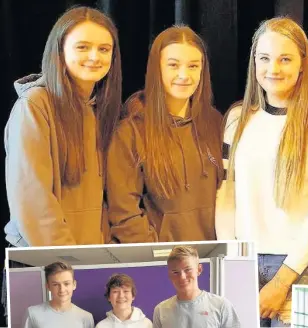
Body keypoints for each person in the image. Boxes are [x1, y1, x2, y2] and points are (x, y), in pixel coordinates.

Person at [215, 17, 308, 326]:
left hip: (297, 266)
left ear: (302, 64)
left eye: (285, 58)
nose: (274, 69)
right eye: (265, 58)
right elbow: (226, 197)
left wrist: (283, 280)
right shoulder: (237, 118)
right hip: (242, 260)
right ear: (254, 62)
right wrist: (233, 259)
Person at [4, 6, 122, 247]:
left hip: (86, 261)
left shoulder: (98, 109)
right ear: (59, 50)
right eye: (82, 47)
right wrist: (69, 263)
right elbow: (34, 204)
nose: (94, 56)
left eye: (104, 49)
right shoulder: (34, 106)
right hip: (50, 266)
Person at [106, 25, 223, 243]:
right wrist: (158, 258)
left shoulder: (215, 122)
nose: (183, 75)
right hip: (166, 264)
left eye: (193, 66)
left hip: (214, 257)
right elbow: (124, 213)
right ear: (156, 68)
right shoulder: (131, 130)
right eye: (173, 65)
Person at [152, 246, 240, 328]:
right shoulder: (160, 311)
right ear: (169, 274)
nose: (182, 277)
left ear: (199, 269)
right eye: (175, 272)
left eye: (188, 270)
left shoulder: (221, 306)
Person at [23, 261, 94, 328]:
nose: (62, 290)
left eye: (66, 284)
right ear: (48, 286)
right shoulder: (33, 313)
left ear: (74, 284)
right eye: (55, 284)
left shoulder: (86, 317)